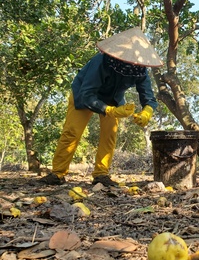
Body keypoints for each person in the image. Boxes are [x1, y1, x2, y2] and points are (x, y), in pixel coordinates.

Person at [39, 27, 163, 186]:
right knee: (72, 132)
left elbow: (149, 97)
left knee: (109, 135)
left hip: (113, 99)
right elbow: (87, 94)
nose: (132, 63)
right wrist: (109, 110)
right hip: (84, 94)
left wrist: (147, 111)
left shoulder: (140, 71)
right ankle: (57, 173)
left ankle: (101, 174)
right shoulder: (100, 62)